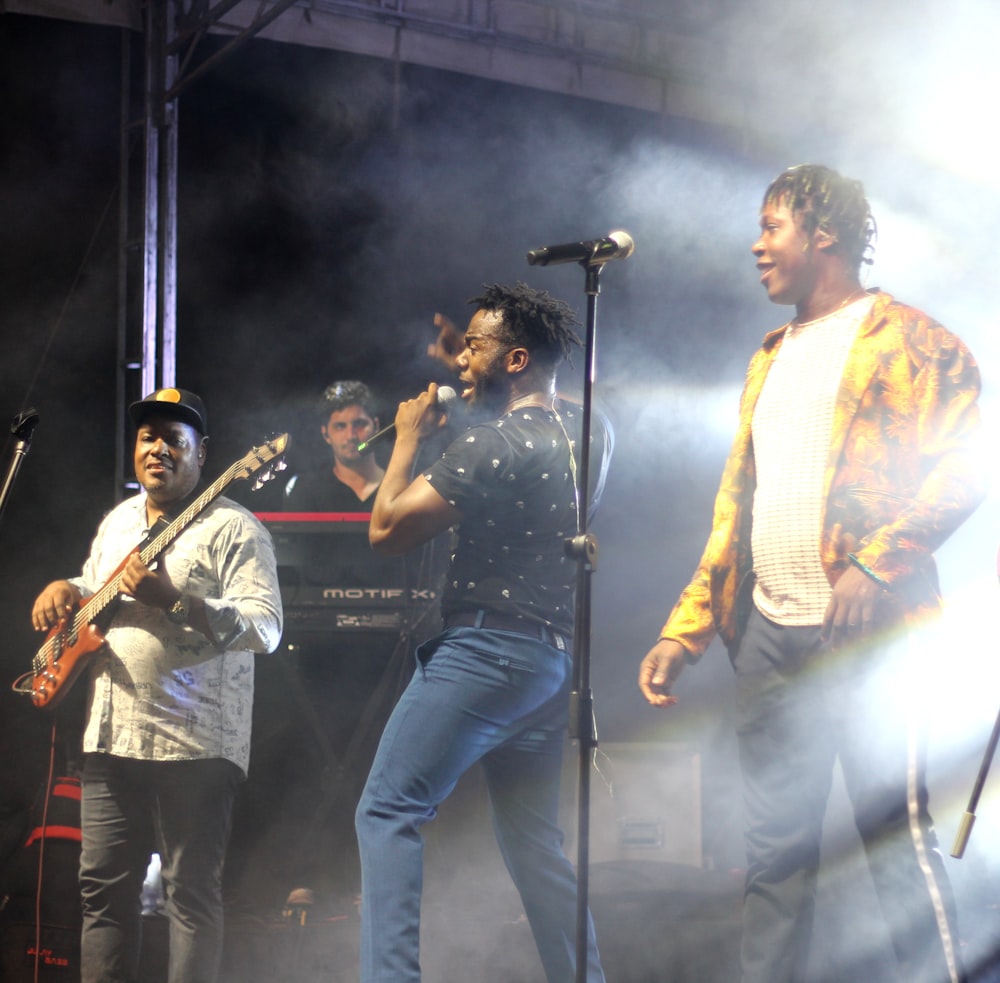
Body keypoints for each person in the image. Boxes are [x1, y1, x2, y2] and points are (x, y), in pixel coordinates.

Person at [638, 164, 985, 983]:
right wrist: (683, 631)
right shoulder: (770, 356)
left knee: (894, 842)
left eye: (771, 227)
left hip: (870, 642)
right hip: (767, 637)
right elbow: (737, 511)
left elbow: (967, 469)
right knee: (775, 860)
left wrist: (877, 561)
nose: (757, 246)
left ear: (822, 232)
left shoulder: (912, 342)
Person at [355, 282, 606, 982]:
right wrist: (476, 377)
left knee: (387, 810)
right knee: (535, 846)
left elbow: (385, 530)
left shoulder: (496, 445)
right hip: (549, 667)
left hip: (484, 654)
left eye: (475, 345)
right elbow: (530, 394)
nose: (460, 357)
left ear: (518, 357)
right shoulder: (589, 432)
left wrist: (404, 439)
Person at [30, 387, 283, 983]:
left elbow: (266, 629)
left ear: (201, 453)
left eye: (174, 438)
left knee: (189, 898)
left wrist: (174, 601)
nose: (158, 449)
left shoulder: (236, 528)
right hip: (110, 737)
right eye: (148, 437)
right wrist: (63, 587)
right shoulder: (118, 521)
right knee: (102, 896)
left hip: (193, 744)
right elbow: (96, 589)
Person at [282, 379, 385, 511]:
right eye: (340, 426)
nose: (351, 436)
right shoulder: (305, 491)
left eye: (359, 424)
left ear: (376, 426)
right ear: (325, 434)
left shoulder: (403, 487)